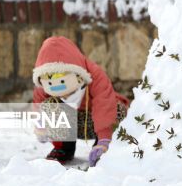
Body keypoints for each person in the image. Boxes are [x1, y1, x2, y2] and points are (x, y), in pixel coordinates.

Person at [32, 36, 129, 167]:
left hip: (96, 121)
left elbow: (104, 103)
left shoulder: (93, 75)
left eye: (61, 79)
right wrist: (41, 127)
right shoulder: (44, 89)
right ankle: (63, 148)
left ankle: (101, 148)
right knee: (50, 105)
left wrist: (104, 139)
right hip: (72, 123)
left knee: (117, 109)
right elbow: (39, 103)